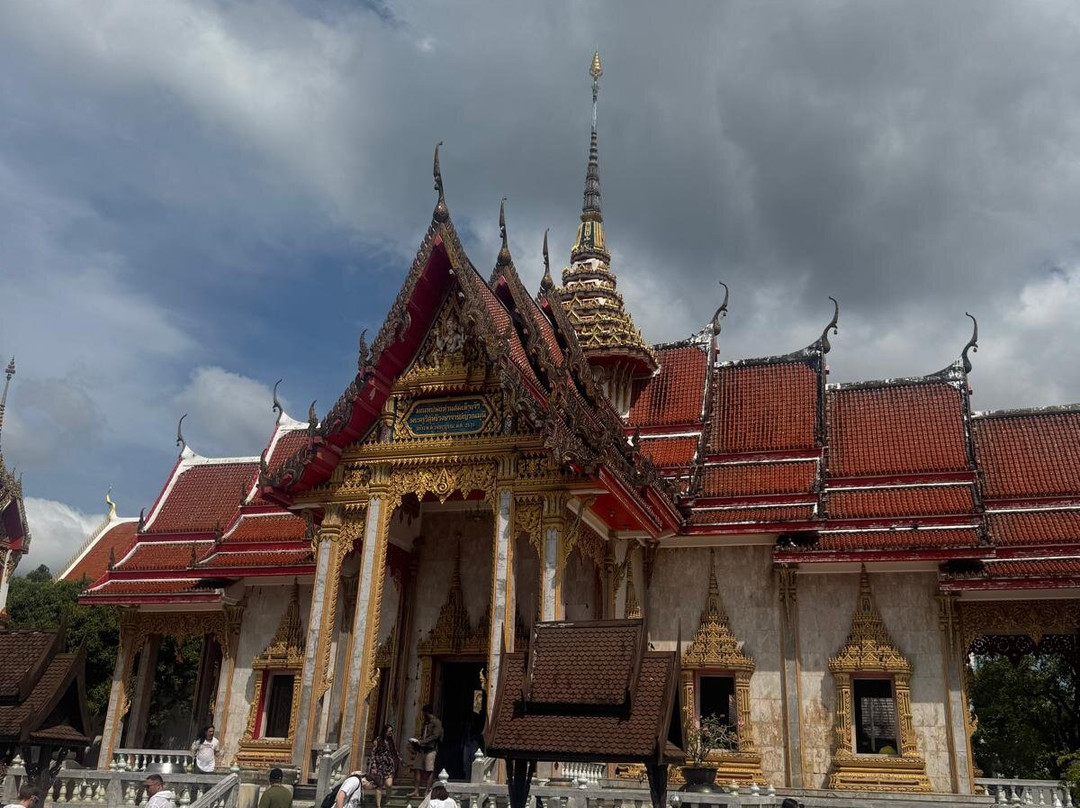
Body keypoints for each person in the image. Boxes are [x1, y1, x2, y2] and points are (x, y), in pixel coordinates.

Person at [408, 704, 443, 798]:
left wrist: (422, 742)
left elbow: (435, 736)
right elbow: (423, 734)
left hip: (430, 749)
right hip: (421, 749)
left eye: (423, 712)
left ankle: (427, 791)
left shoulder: (436, 722)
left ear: (427, 712)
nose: (423, 715)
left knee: (429, 770)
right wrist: (417, 741)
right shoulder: (426, 723)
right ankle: (416, 790)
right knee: (417, 768)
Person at [362, 724, 400, 808]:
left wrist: (397, 758)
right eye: (389, 731)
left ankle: (387, 799)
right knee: (379, 785)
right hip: (379, 765)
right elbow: (373, 753)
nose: (391, 733)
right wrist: (374, 765)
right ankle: (378, 805)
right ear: (385, 731)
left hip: (388, 765)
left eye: (391, 731)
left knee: (389, 784)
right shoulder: (378, 740)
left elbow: (394, 750)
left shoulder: (390, 740)